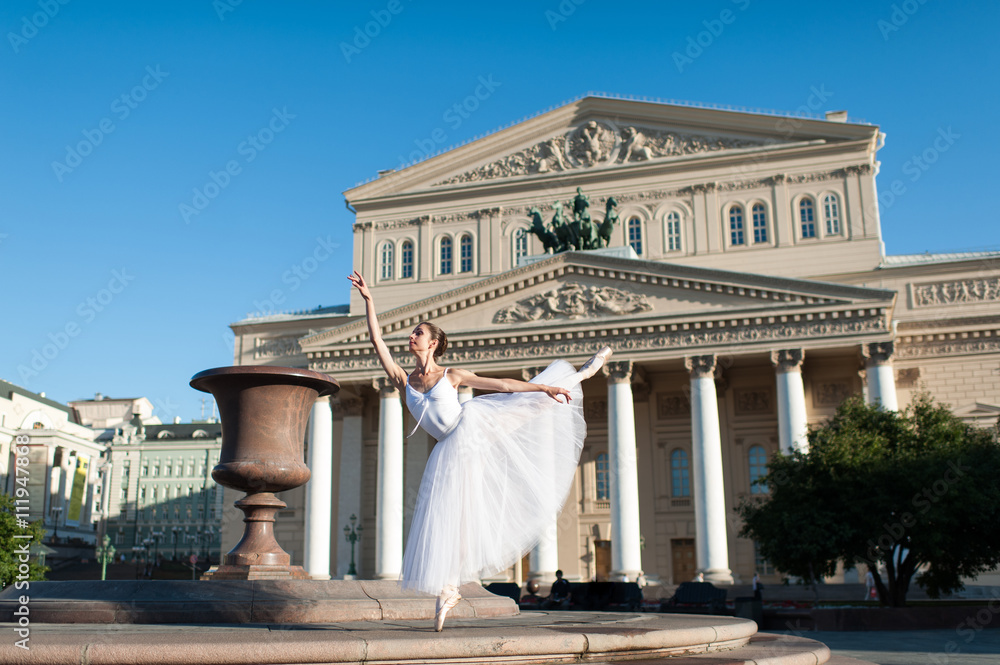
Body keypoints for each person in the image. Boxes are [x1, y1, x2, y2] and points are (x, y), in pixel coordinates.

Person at [348, 271, 613, 631]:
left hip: (470, 430)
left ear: (433, 343)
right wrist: (369, 301)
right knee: (445, 517)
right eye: (412, 333)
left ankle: (581, 374)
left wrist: (544, 388)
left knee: (527, 404)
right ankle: (449, 588)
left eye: (418, 333)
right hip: (447, 449)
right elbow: (376, 340)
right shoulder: (403, 379)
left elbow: (502, 385)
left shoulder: (452, 374)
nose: (411, 337)